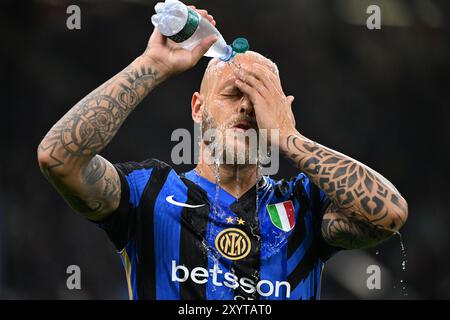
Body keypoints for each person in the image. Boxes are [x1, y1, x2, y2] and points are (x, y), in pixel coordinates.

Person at [37, 6, 408, 300]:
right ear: (198, 108)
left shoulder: (304, 206)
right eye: (233, 95)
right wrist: (151, 66)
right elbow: (57, 158)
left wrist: (290, 136)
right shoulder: (146, 194)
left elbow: (388, 214)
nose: (247, 108)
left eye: (261, 101)